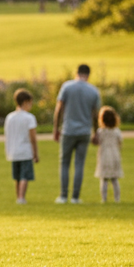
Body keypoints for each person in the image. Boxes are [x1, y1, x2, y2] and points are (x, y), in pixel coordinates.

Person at [53, 64, 101, 204]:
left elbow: (59, 109)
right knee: (79, 164)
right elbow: (95, 114)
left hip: (68, 130)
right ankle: (75, 197)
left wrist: (56, 129)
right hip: (84, 131)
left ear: (76, 72)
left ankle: (63, 196)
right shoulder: (93, 91)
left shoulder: (67, 87)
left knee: (64, 163)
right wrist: (95, 132)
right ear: (88, 74)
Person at [4, 88, 38, 204]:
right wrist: (35, 153)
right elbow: (33, 137)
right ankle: (21, 197)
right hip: (25, 151)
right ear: (25, 102)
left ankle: (18, 196)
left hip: (13, 151)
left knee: (17, 176)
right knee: (25, 176)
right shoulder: (29, 118)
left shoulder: (9, 117)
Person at [95, 106, 124, 203]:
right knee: (115, 179)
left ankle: (104, 199)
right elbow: (120, 142)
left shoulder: (100, 132)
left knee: (104, 179)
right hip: (115, 154)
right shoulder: (117, 131)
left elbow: (97, 142)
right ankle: (117, 199)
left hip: (104, 155)